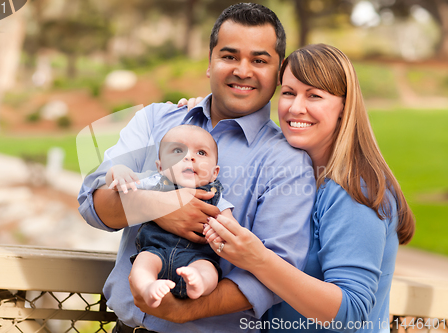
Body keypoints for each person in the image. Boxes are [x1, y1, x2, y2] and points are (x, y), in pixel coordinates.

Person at [77, 3, 315, 333]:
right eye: (229, 56)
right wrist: (161, 206)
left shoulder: (287, 162)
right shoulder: (154, 121)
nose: (242, 70)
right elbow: (92, 204)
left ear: (279, 71)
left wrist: (184, 311)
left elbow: (276, 274)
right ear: (210, 62)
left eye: (259, 60)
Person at [203, 43, 415, 333]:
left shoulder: (354, 190)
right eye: (288, 92)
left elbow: (351, 312)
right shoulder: (296, 177)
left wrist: (258, 259)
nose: (295, 107)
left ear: (344, 107)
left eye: (314, 95)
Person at [106, 125, 234, 308]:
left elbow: (230, 226)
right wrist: (117, 172)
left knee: (209, 270)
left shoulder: (215, 196)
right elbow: (119, 187)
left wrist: (223, 232)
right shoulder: (154, 183)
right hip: (155, 251)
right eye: (177, 151)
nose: (189, 157)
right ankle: (148, 287)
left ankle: (199, 283)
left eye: (201, 153)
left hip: (197, 257)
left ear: (214, 172)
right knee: (142, 265)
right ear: (160, 167)